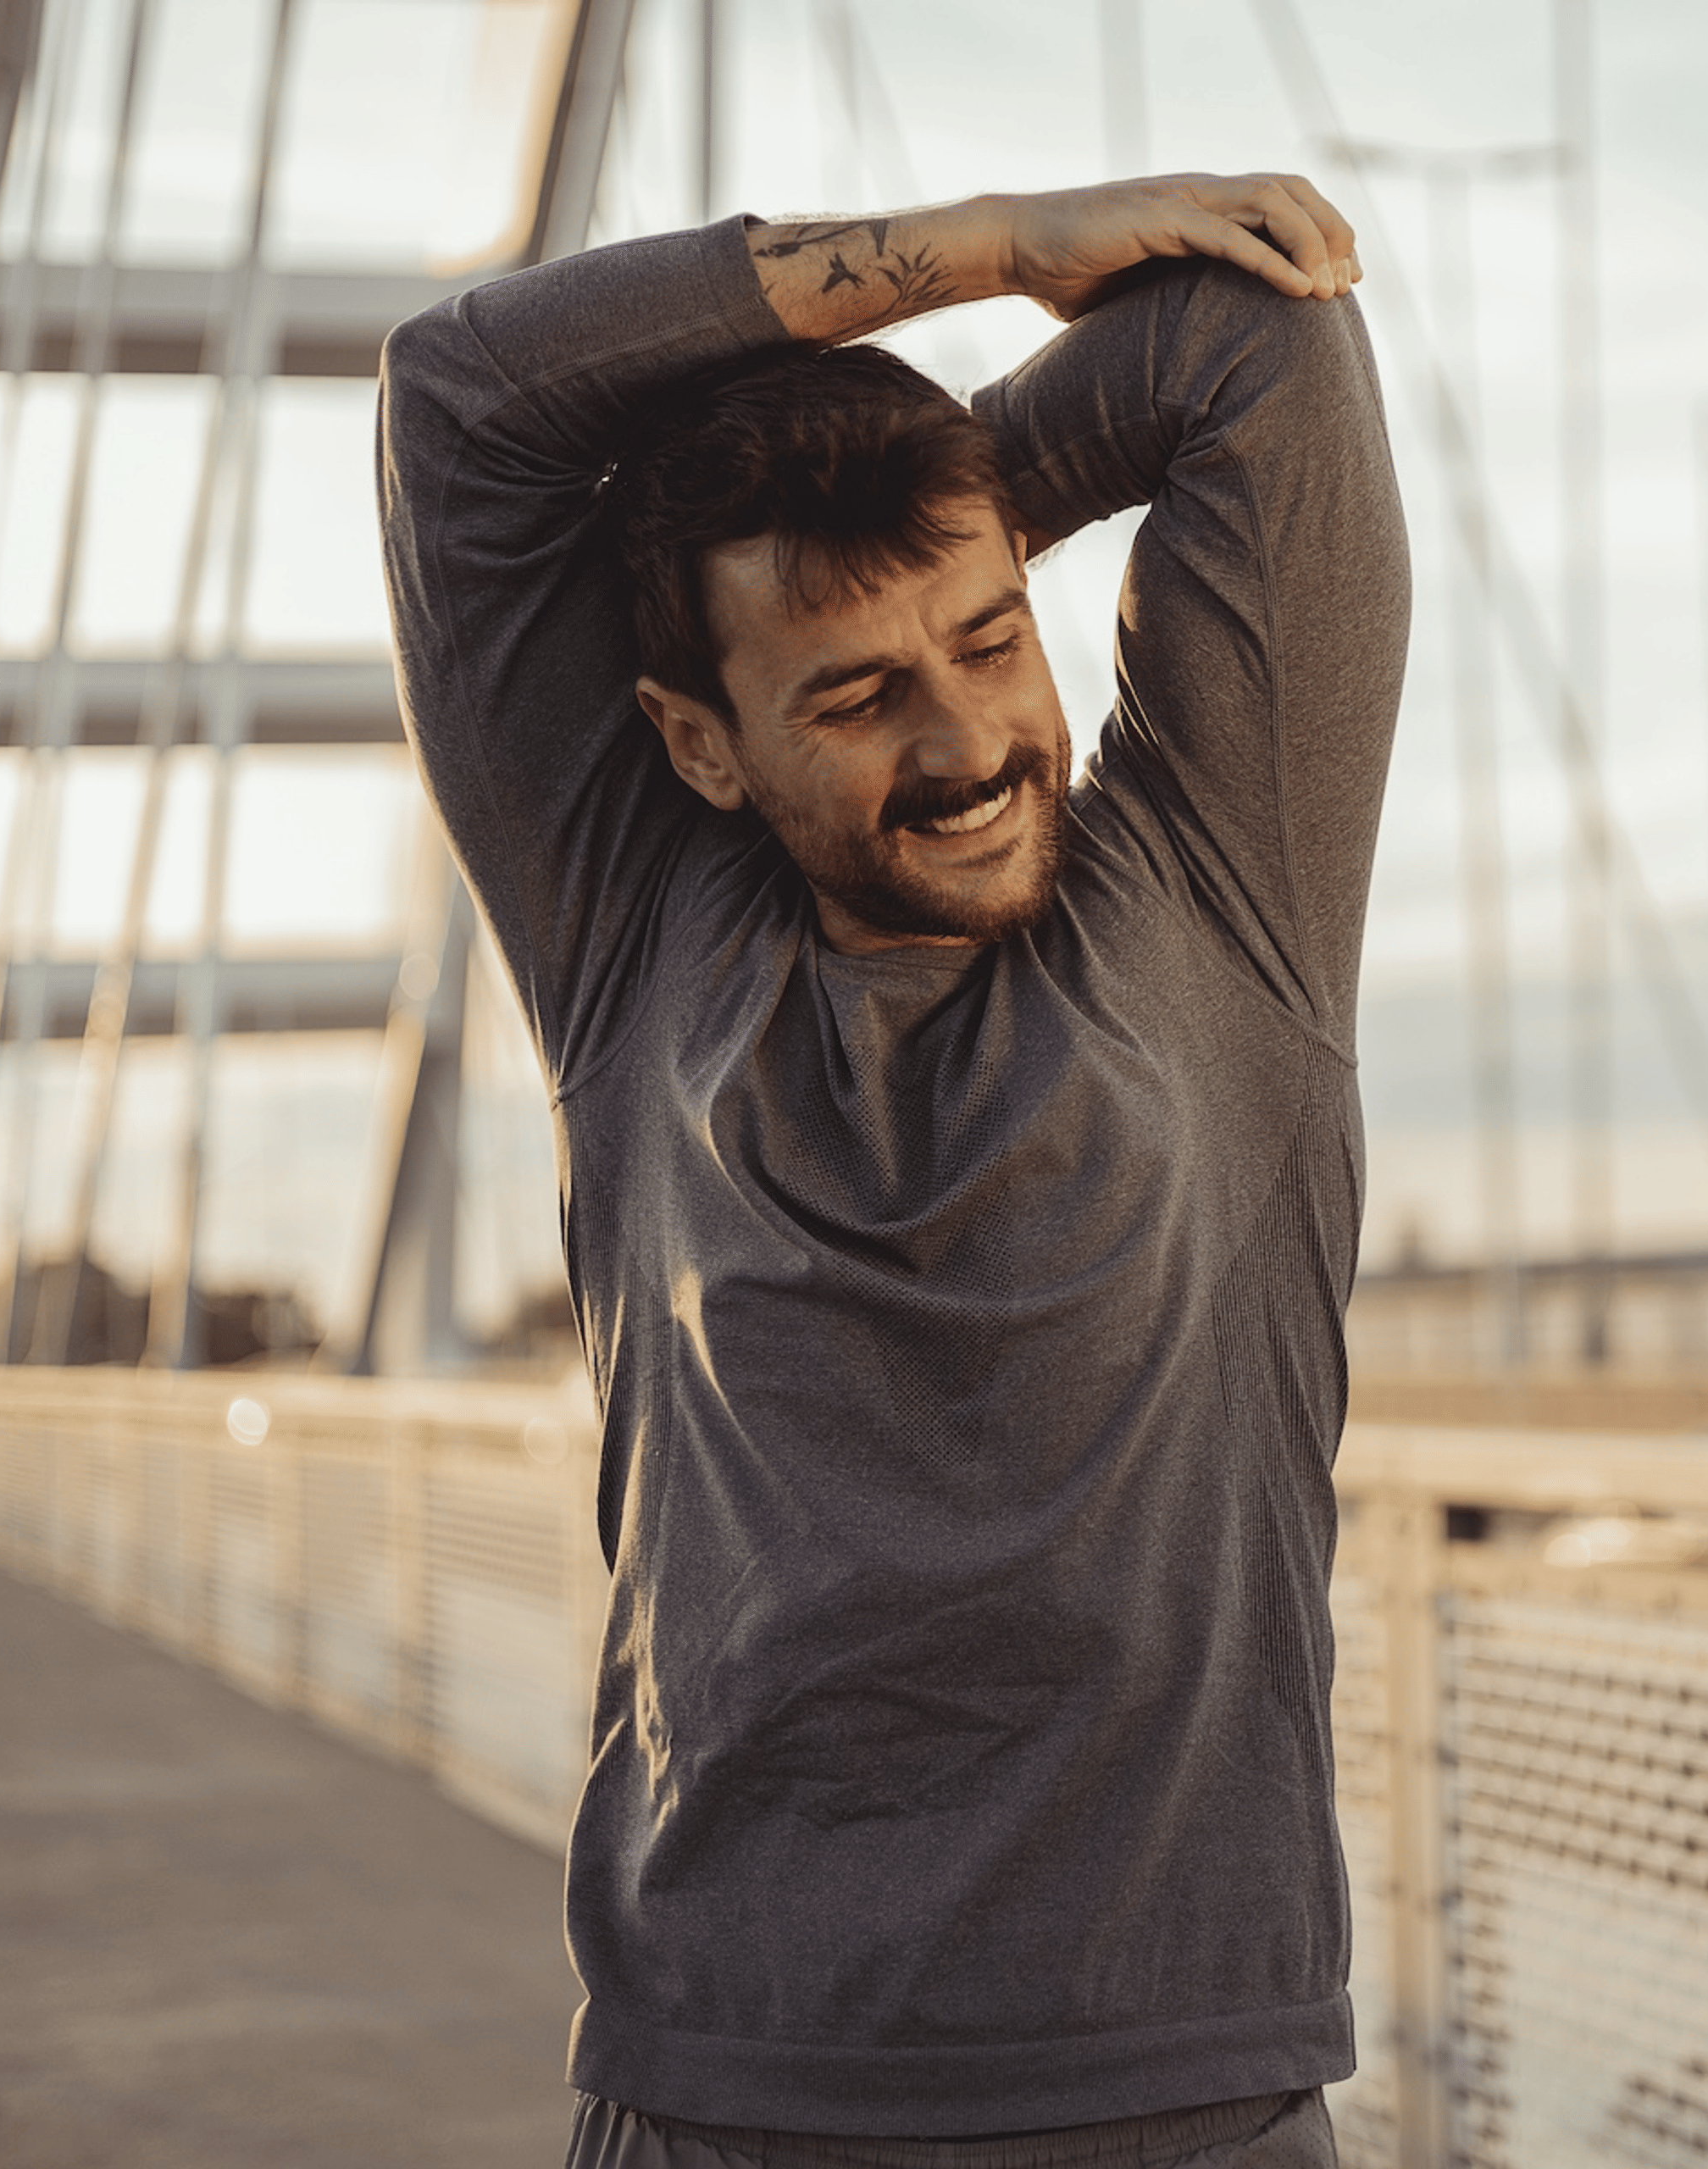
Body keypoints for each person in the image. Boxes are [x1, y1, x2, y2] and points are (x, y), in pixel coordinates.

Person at [375, 174, 1406, 2169]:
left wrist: (917, 501)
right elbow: (460, 400)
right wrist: (998, 246)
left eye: (988, 637)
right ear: (698, 742)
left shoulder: (1226, 899)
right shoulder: (632, 942)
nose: (965, 743)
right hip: (718, 2092)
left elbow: (1252, 345)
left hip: (1182, 2097)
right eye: (852, 694)